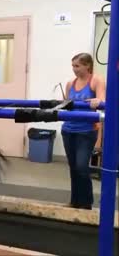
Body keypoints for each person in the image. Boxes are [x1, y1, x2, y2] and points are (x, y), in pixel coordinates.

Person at [61, 52, 105, 210]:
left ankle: (86, 203)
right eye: (73, 66)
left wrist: (98, 102)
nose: (74, 69)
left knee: (81, 166)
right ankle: (75, 201)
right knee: (73, 167)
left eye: (77, 66)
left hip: (86, 131)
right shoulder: (70, 83)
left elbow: (102, 100)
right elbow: (66, 105)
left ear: (87, 65)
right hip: (68, 130)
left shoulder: (96, 80)